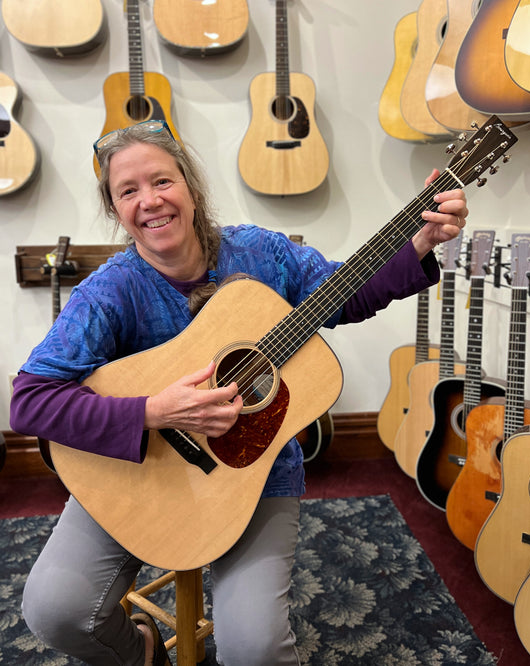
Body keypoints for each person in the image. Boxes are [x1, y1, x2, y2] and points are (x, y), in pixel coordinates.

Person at [10, 119, 468, 666]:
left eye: (162, 181)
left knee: (255, 650)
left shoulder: (260, 254)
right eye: (127, 191)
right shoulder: (111, 290)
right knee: (54, 611)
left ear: (191, 187)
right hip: (138, 472)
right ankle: (142, 651)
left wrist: (419, 240)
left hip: (256, 473)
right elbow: (30, 399)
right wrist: (153, 411)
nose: (150, 201)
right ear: (114, 209)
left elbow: (345, 295)